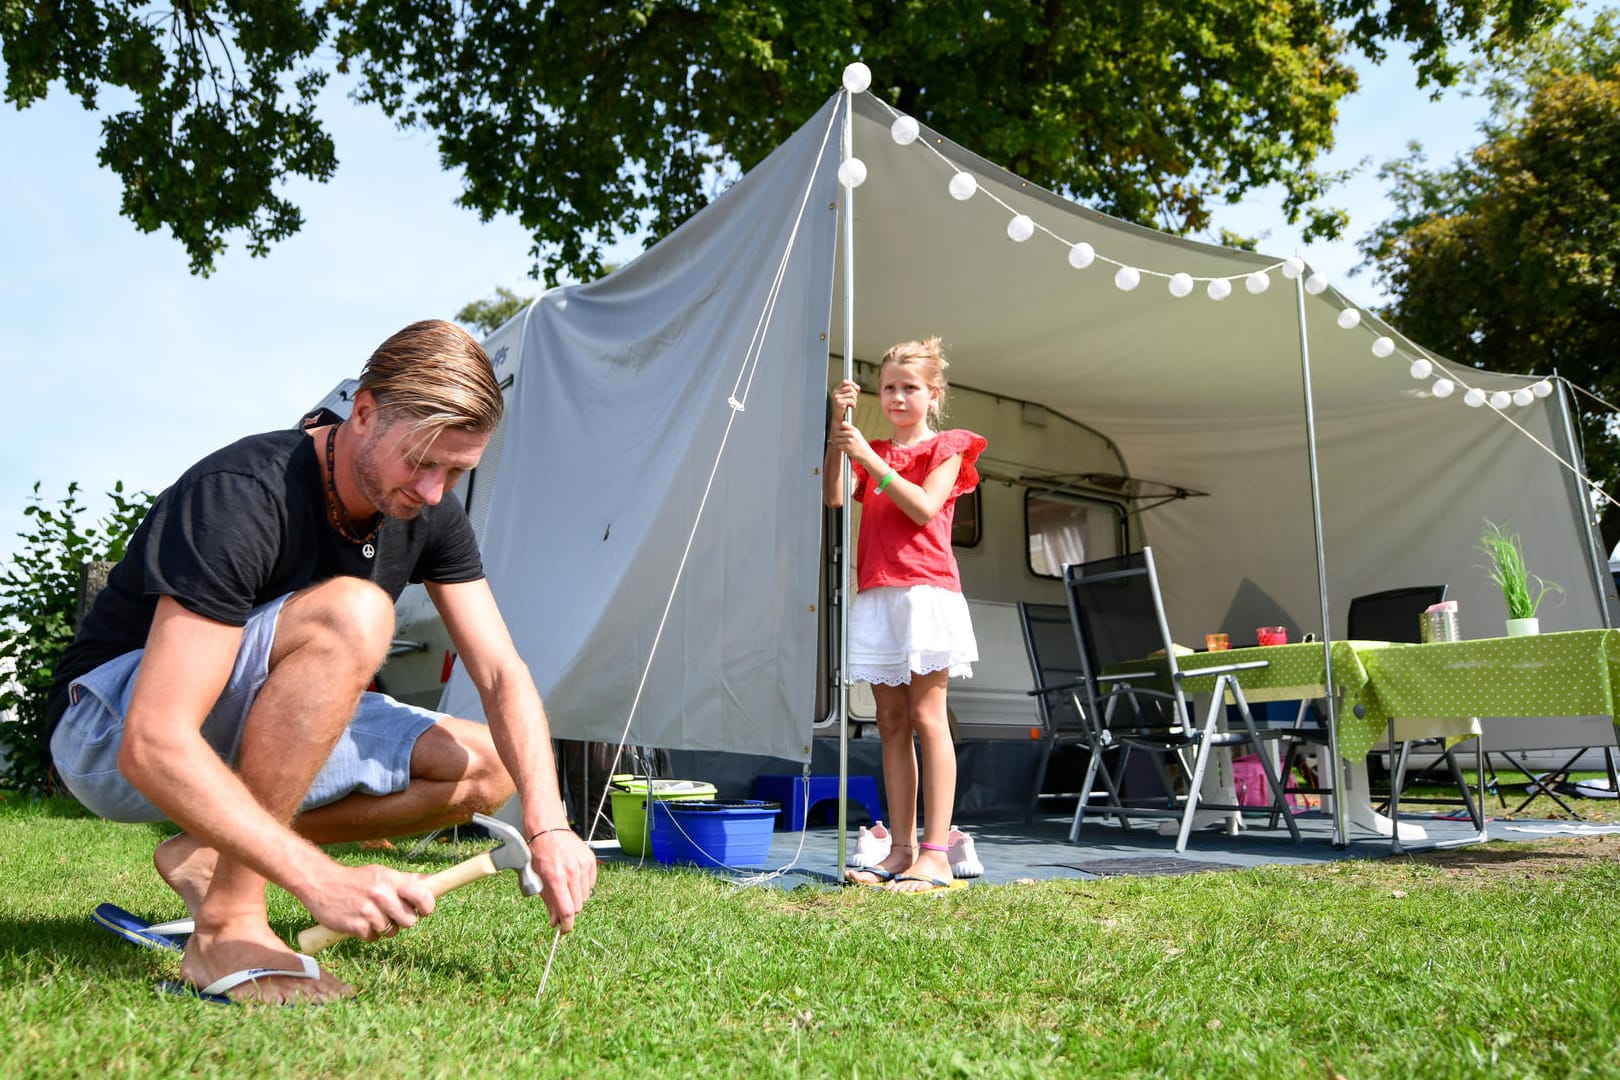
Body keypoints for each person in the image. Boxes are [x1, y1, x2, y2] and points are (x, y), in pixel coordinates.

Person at [46, 319, 597, 1003]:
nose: (434, 491)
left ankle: (216, 852)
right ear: (363, 413)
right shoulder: (243, 492)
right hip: (108, 730)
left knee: (485, 767)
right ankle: (227, 926)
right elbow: (152, 743)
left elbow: (499, 673)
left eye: (458, 471)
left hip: (245, 721)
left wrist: (548, 823)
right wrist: (319, 878)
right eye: (423, 460)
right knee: (357, 613)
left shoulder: (428, 513)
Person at [822, 338, 986, 894]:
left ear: (933, 395)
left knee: (927, 716)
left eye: (909, 388)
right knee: (889, 722)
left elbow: (923, 506)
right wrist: (838, 430)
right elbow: (835, 496)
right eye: (888, 387)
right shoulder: (870, 450)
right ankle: (901, 848)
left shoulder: (948, 447)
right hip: (877, 593)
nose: (896, 397)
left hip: (926, 593)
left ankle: (937, 853)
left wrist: (868, 456)